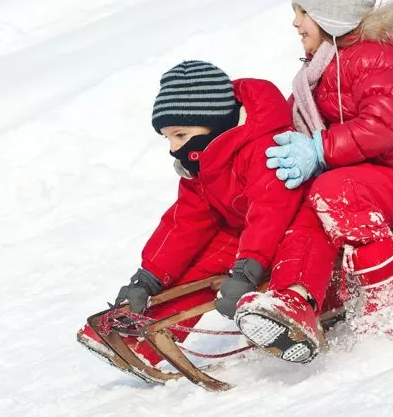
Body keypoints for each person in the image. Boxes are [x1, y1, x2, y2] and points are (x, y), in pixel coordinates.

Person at [77, 60, 340, 375]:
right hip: (244, 233)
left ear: (213, 122)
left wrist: (245, 272)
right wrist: (148, 278)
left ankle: (290, 315)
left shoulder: (263, 146)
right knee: (198, 265)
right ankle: (141, 338)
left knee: (300, 244)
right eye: (168, 138)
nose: (173, 147)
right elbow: (184, 223)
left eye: (180, 134)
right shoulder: (201, 165)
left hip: (292, 222)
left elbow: (271, 211)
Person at [233, 0, 393, 344]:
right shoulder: (322, 66)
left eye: (303, 11)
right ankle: (297, 301)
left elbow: (383, 127)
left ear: (332, 13)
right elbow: (290, 121)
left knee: (331, 187)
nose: (295, 22)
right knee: (308, 200)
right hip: (359, 179)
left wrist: (319, 150)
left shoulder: (374, 56)